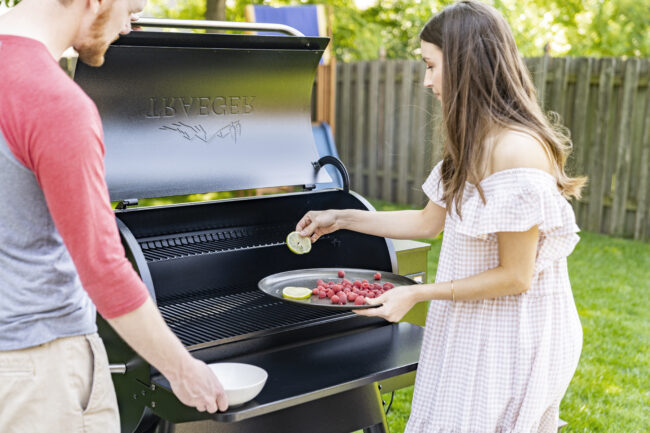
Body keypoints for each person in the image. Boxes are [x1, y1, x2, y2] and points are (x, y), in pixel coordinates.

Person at [296, 1, 585, 432]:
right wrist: (342, 217)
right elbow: (428, 222)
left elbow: (516, 276)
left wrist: (417, 292)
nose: (427, 80)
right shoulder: (474, 142)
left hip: (513, 334)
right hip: (472, 319)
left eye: (431, 65)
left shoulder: (516, 150)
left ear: (467, 62)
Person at [0, 1, 228, 431]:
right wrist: (183, 370)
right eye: (131, 7)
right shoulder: (52, 101)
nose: (131, 23)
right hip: (40, 370)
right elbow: (104, 270)